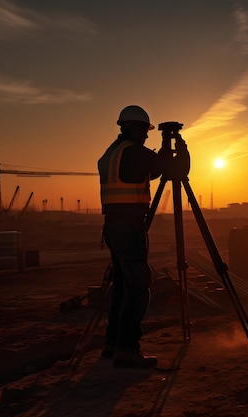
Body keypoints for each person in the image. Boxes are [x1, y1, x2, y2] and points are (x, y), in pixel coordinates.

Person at [98, 105, 189, 368]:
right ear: (135, 128)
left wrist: (163, 146)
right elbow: (174, 170)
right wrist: (180, 148)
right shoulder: (135, 153)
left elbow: (155, 168)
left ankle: (113, 344)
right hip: (129, 228)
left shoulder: (111, 154)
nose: (147, 136)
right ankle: (127, 349)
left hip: (113, 227)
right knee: (138, 287)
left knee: (123, 287)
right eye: (145, 131)